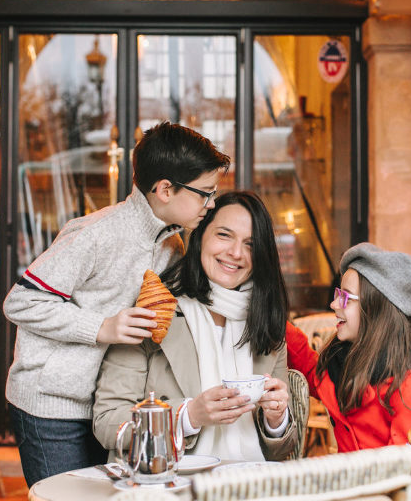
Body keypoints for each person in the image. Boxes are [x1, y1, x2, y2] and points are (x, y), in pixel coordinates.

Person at [3, 122, 230, 486]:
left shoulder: (172, 246)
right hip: (51, 405)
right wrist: (102, 326)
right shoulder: (94, 233)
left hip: (107, 407)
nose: (211, 203)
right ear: (165, 189)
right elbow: (21, 301)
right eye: (204, 192)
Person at [93, 191, 297, 462]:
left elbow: (283, 449)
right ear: (200, 238)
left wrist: (277, 419)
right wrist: (189, 416)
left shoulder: (266, 326)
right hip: (167, 481)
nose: (236, 253)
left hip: (247, 484)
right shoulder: (155, 313)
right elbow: (107, 423)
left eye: (250, 244)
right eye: (224, 235)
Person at [286, 243, 411, 452]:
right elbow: (312, 370)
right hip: (353, 481)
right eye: (338, 294)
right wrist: (272, 321)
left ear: (378, 311)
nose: (334, 304)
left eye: (345, 297)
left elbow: (406, 467)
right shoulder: (344, 364)